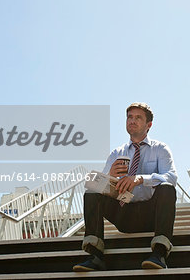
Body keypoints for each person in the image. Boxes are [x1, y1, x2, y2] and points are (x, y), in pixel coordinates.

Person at [73, 102, 178, 272]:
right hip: (123, 213)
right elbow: (97, 185)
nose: (132, 121)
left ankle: (159, 253)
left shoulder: (160, 149)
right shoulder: (116, 153)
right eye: (129, 117)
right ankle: (95, 255)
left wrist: (140, 179)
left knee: (167, 188)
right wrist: (110, 176)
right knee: (92, 191)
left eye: (138, 118)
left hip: (151, 214)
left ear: (148, 125)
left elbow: (171, 177)